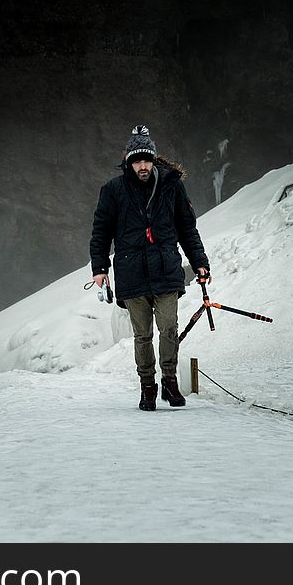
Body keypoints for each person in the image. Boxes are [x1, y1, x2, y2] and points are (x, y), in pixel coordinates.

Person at [89, 124, 211, 411]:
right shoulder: (113, 190)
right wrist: (100, 268)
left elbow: (187, 228)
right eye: (136, 161)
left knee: (169, 328)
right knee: (142, 335)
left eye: (146, 160)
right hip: (131, 272)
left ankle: (170, 381)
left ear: (154, 160)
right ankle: (147, 387)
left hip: (167, 269)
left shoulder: (172, 186)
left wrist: (200, 263)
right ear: (129, 163)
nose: (142, 166)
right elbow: (101, 231)